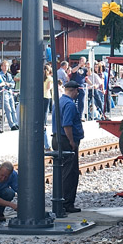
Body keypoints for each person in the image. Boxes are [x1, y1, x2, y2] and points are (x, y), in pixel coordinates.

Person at [53, 81, 84, 213]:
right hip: (66, 140)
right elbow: (67, 124)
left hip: (57, 138)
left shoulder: (59, 102)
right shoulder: (70, 104)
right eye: (77, 91)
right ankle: (67, 203)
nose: (78, 94)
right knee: (70, 173)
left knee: (62, 172)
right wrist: (72, 141)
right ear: (74, 90)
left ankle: (61, 201)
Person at [0, 60, 19, 131]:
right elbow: (1, 84)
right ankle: (11, 124)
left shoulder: (9, 75)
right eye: (4, 66)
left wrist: (8, 84)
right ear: (1, 67)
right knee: (8, 109)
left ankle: (16, 123)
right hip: (4, 93)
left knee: (13, 108)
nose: (5, 67)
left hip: (10, 92)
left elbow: (13, 84)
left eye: (7, 66)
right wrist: (7, 84)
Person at [43, 64, 54, 151]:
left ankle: (46, 144)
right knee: (44, 123)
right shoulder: (50, 79)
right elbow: (48, 88)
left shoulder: (39, 78)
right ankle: (47, 145)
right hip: (46, 98)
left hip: (40, 98)